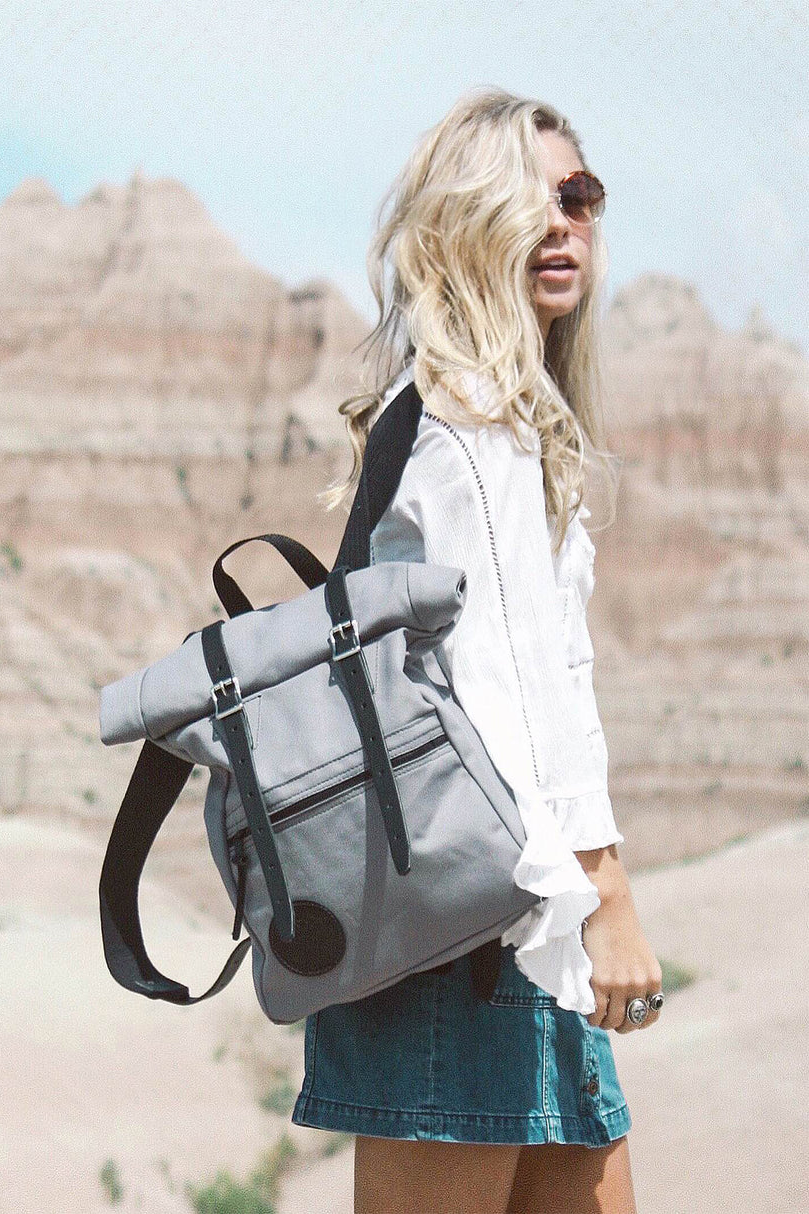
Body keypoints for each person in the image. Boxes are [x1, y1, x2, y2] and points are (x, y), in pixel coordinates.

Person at [293, 88, 664, 1213]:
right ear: (464, 222)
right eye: (524, 198)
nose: (560, 224)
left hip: (519, 925)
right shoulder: (468, 419)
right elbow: (515, 691)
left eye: (578, 196)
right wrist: (606, 894)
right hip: (465, 940)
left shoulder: (513, 421)